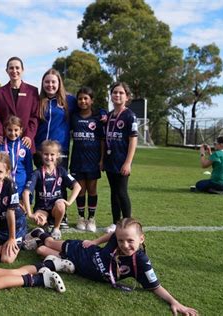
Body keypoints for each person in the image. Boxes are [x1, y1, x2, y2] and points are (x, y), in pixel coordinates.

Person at [24, 218, 198, 316]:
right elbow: (113, 234)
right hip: (82, 251)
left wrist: (176, 303)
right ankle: (39, 232)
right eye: (121, 240)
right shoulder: (117, 237)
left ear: (141, 239)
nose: (125, 245)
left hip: (75, 267)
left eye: (130, 241)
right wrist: (94, 241)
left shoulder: (141, 263)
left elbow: (156, 286)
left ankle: (38, 242)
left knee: (41, 250)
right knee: (50, 242)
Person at [34, 68, 77, 229]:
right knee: (42, 182)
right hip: (40, 149)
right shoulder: (38, 101)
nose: (50, 85)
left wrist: (101, 113)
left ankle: (62, 215)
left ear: (59, 83)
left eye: (53, 82)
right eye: (47, 82)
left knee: (60, 181)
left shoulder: (69, 101)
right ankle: (43, 213)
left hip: (61, 149)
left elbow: (87, 107)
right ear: (43, 84)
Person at [23, 140, 81, 240]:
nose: (49, 157)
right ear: (41, 154)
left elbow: (77, 186)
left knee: (61, 205)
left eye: (52, 154)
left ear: (57, 155)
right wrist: (30, 214)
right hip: (42, 208)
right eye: (46, 154)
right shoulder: (37, 173)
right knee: (39, 220)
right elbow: (26, 193)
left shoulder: (61, 171)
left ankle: (56, 228)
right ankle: (44, 226)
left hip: (56, 208)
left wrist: (68, 203)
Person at [103, 82, 138, 233]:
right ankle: (116, 222)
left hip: (122, 161)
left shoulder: (130, 116)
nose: (117, 95)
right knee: (113, 192)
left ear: (127, 97)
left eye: (121, 93)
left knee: (122, 192)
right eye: (114, 92)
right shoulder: (109, 116)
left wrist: (128, 162)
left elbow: (133, 140)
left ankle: (128, 222)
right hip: (110, 160)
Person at [70, 87, 105, 232]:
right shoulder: (74, 117)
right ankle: (80, 218)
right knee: (80, 191)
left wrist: (102, 159)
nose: (83, 101)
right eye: (80, 98)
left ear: (91, 101)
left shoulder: (98, 118)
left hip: (92, 160)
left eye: (86, 98)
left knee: (92, 190)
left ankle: (91, 218)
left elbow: (102, 140)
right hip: (77, 160)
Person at [0, 56, 39, 151]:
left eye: (17, 68)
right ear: (7, 70)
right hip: (4, 141)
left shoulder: (32, 91)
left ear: (22, 70)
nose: (14, 70)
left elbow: (35, 117)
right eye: (11, 68)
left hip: (25, 142)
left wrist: (29, 136)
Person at [0, 115, 33, 196]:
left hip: (21, 184)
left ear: (21, 130)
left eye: (16, 130)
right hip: (3, 185)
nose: (13, 133)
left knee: (21, 208)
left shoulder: (25, 146)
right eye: (10, 130)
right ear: (5, 129)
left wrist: (29, 192)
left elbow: (29, 169)